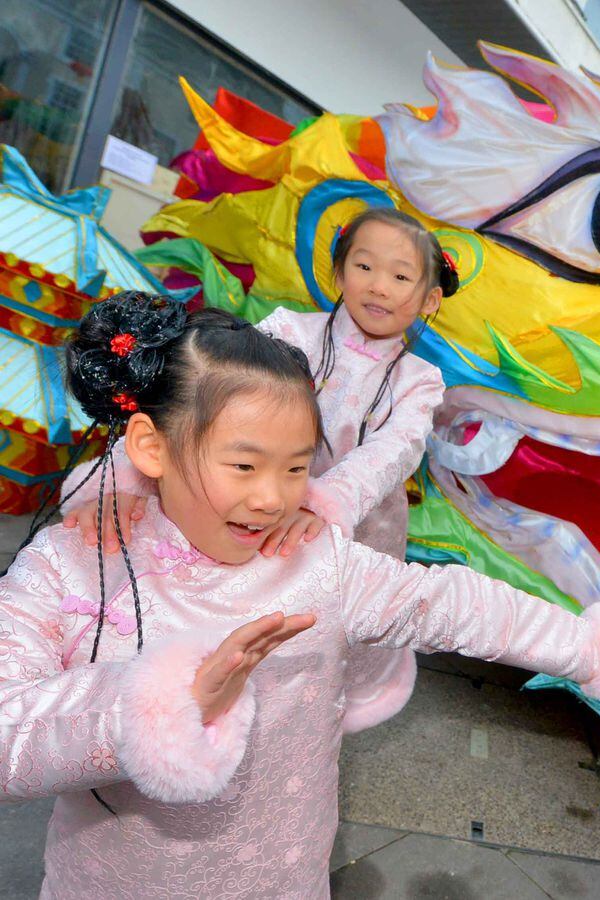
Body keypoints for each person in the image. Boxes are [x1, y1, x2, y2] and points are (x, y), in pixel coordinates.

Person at [0, 293, 600, 897]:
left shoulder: (315, 563)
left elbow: (446, 604)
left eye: (295, 468)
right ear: (151, 445)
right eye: (244, 465)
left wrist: (579, 640)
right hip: (114, 879)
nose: (271, 497)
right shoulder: (71, 567)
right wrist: (156, 708)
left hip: (281, 874)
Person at [62, 207, 451, 734]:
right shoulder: (287, 332)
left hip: (355, 523)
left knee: (320, 635)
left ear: (430, 298)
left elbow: (394, 451)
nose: (379, 286)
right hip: (247, 499)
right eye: (363, 266)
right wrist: (119, 481)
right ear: (337, 273)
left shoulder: (420, 381)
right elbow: (204, 396)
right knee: (233, 605)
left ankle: (305, 717)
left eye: (401, 276)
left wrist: (321, 502)